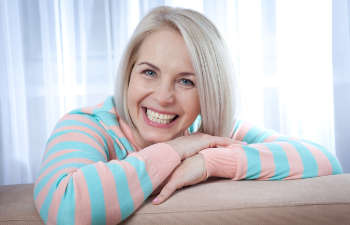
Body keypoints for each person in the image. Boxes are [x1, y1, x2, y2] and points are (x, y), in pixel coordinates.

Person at [33, 6, 342, 225]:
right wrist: (174, 151)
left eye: (186, 81)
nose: (164, 96)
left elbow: (325, 161)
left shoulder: (209, 132)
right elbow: (66, 206)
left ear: (208, 91)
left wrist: (208, 162)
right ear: (128, 74)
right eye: (149, 72)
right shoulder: (87, 125)